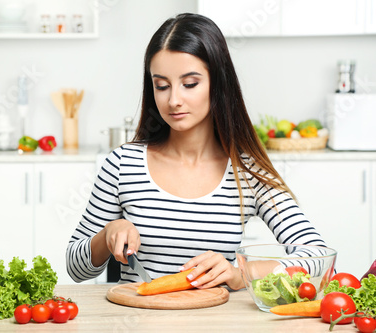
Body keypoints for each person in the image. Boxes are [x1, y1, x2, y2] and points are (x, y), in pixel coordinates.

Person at [66, 13, 327, 290]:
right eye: (161, 86)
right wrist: (107, 234)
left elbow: (318, 258)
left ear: (218, 84)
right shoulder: (122, 165)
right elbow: (75, 269)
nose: (174, 100)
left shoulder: (247, 172)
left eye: (190, 84)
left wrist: (242, 272)